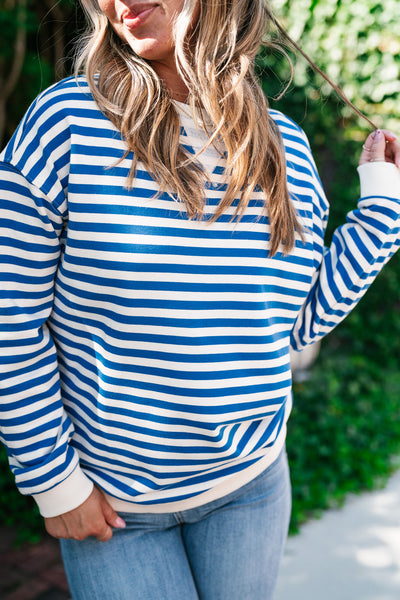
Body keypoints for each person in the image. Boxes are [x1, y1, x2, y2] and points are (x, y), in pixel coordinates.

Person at [0, 1, 399, 598]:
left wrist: (382, 209)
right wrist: (54, 481)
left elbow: (291, 324)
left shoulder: (283, 145)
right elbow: (11, 318)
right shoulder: (66, 123)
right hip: (116, 508)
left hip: (253, 485)